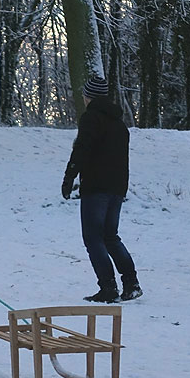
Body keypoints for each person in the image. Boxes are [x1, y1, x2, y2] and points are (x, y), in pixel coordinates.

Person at [62, 76, 142, 303]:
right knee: (110, 236)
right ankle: (131, 283)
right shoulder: (119, 124)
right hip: (117, 188)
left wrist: (70, 176)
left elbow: (82, 148)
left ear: (89, 96)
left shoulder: (91, 119)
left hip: (96, 188)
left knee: (93, 238)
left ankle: (108, 287)